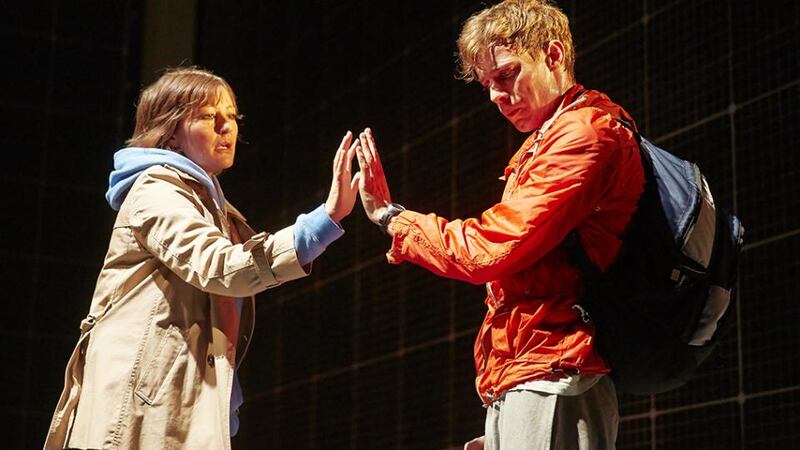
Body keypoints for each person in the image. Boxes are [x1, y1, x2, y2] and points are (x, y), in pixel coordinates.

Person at [355, 0, 645, 448]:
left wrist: (391, 217)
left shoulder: (585, 133)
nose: (494, 95)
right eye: (487, 83)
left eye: (506, 75)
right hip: (530, 371)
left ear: (553, 55)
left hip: (555, 371)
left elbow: (491, 249)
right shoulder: (549, 138)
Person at [44, 67, 361, 450]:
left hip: (168, 408)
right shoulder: (155, 191)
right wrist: (321, 223)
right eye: (210, 116)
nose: (227, 127)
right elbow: (221, 267)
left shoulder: (211, 205)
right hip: (136, 418)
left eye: (232, 116)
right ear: (170, 131)